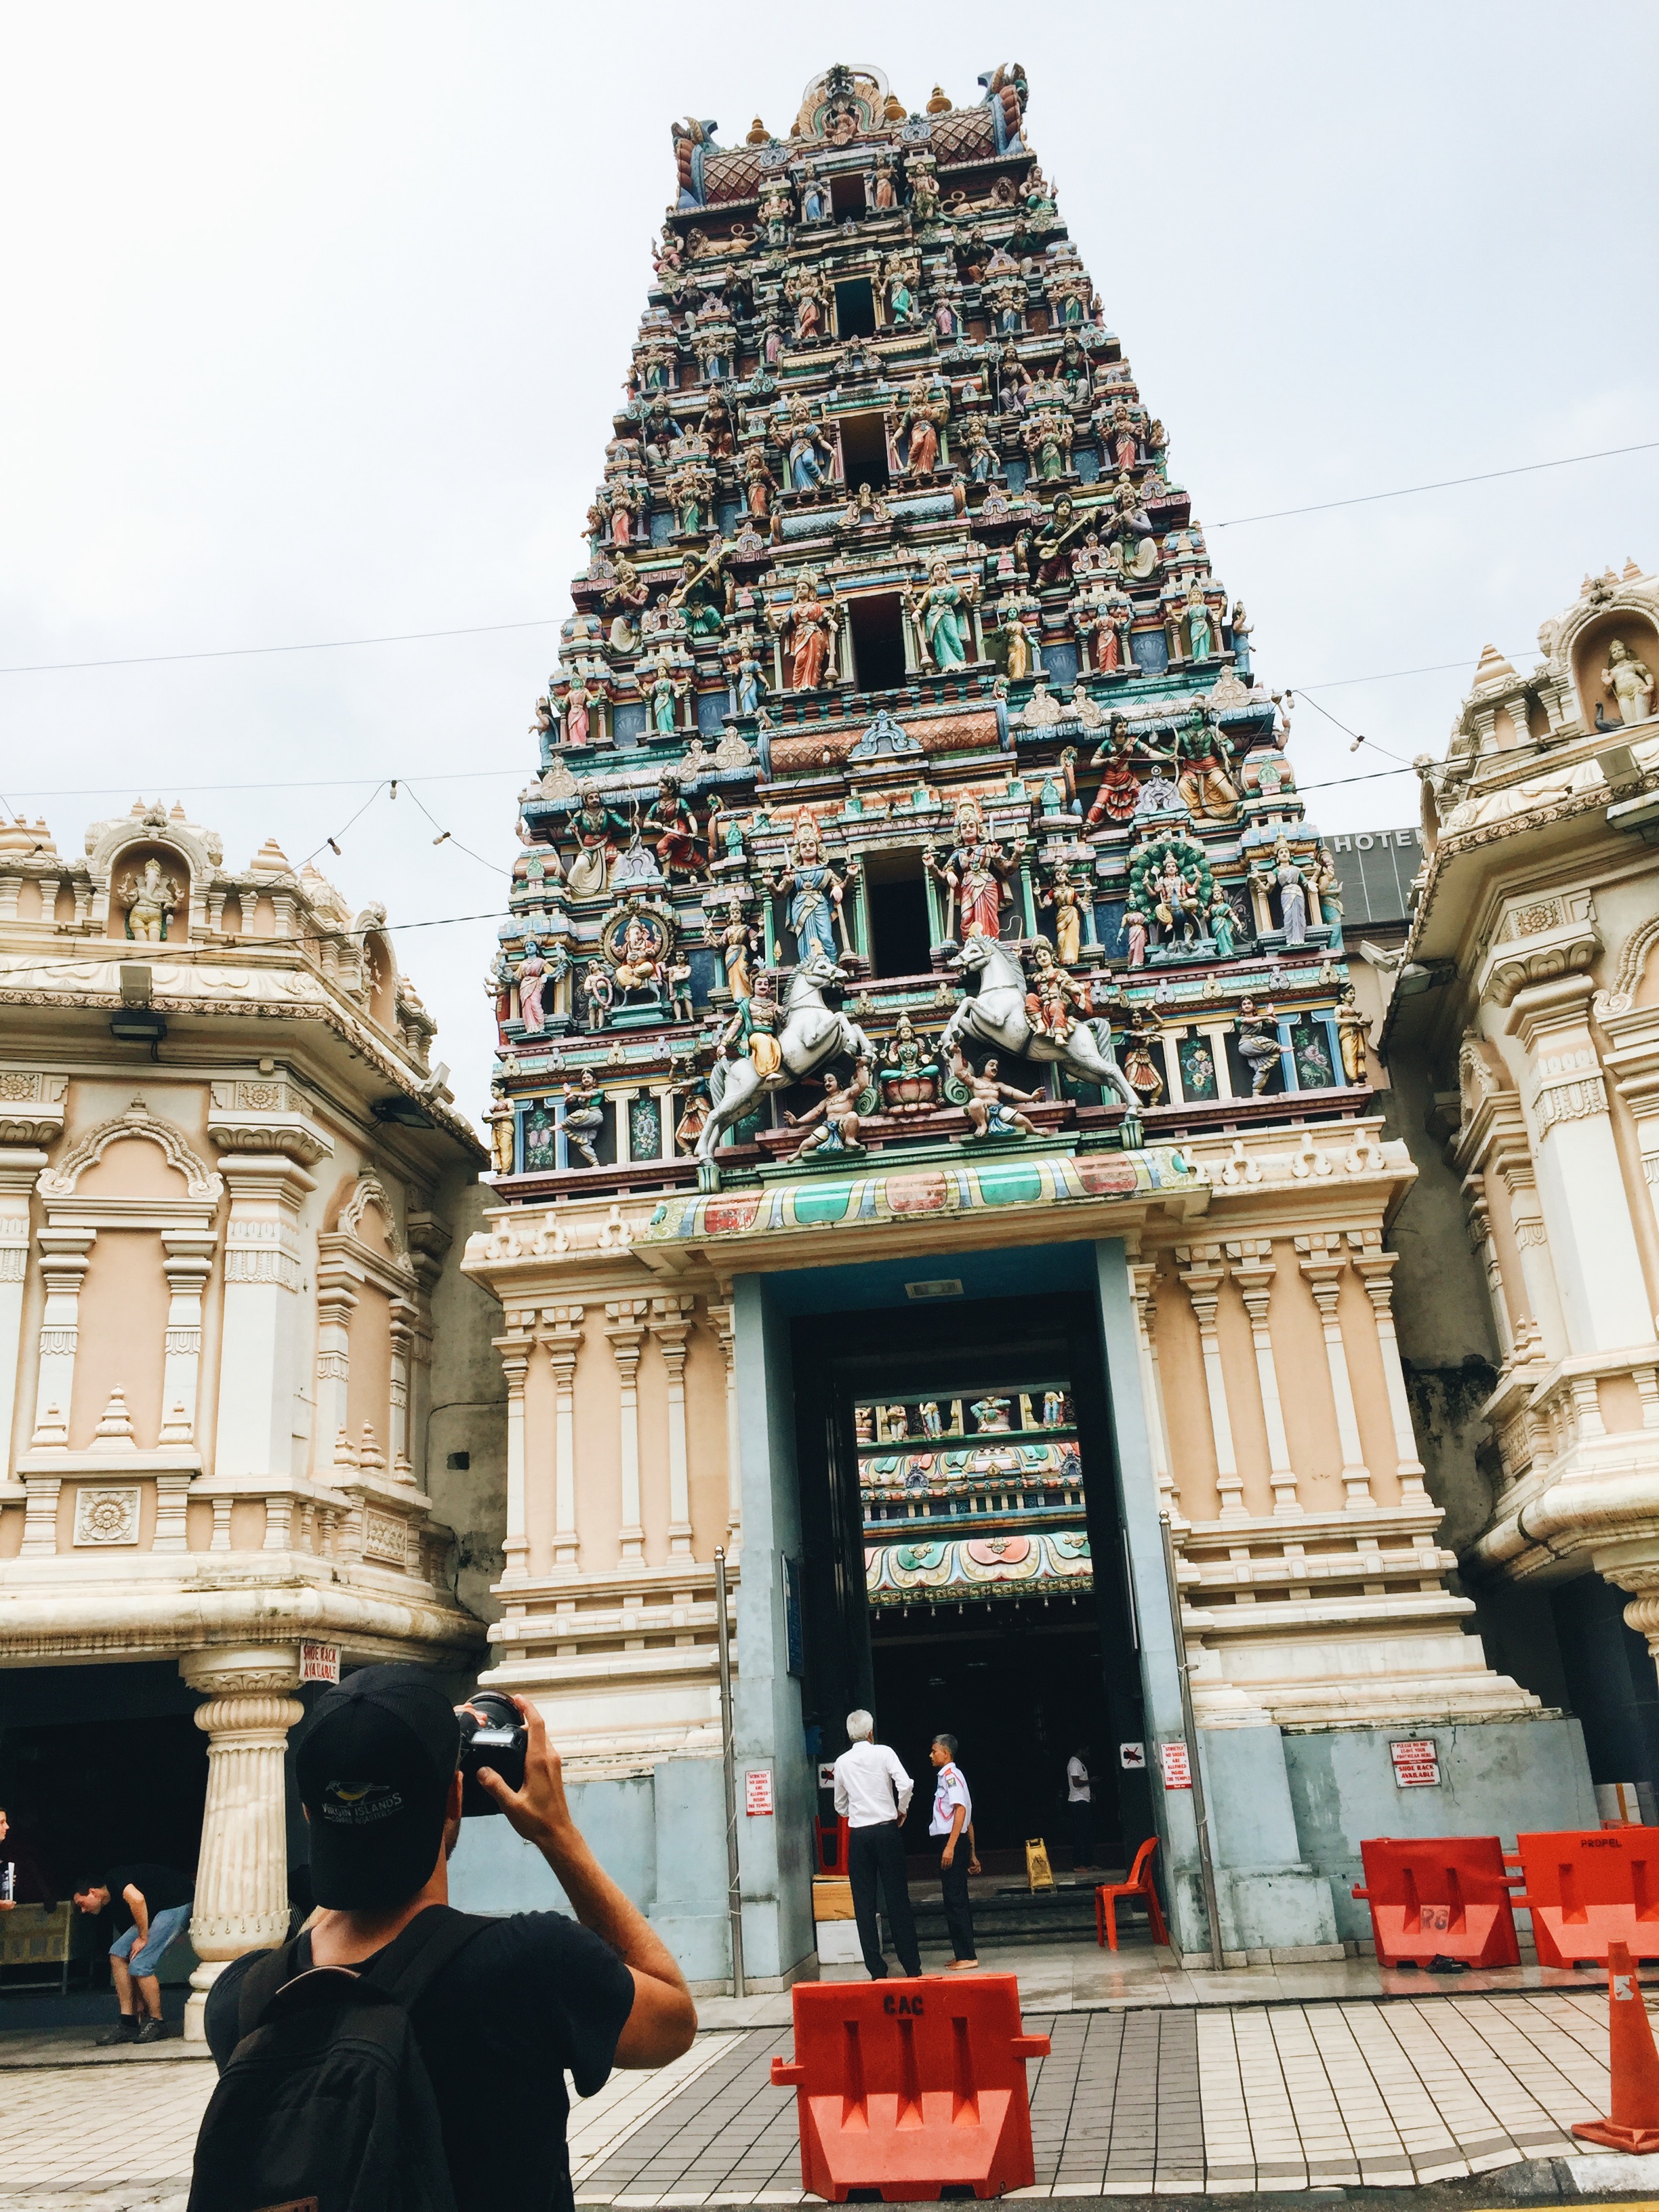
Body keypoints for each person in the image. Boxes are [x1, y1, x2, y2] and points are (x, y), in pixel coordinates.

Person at [203, 1665, 697, 2212]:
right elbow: (673, 2021)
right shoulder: (530, 1964)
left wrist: (348, 1824)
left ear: (308, 1814)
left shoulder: (242, 2000)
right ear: (456, 1799)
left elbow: (331, 1927)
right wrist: (557, 1834)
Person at [832, 1709, 921, 1980]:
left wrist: (855, 1812)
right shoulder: (884, 1753)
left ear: (849, 1735)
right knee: (898, 1899)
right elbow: (905, 1784)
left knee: (864, 1903)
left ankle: (876, 1969)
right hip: (886, 1831)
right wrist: (900, 1809)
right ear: (871, 1733)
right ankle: (911, 1966)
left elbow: (839, 1805)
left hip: (860, 1836)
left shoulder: (842, 1762)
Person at [73, 1860, 195, 2044]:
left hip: (177, 1901)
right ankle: (128, 2022)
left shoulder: (114, 1878)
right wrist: (137, 1999)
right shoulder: (113, 1907)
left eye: (82, 1903)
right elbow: (129, 1956)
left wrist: (144, 1938)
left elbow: (138, 1899)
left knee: (142, 1964)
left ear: (92, 1892)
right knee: (117, 1953)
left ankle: (158, 2022)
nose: (83, 1910)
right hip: (157, 1910)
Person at [928, 1735, 981, 1971]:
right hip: (956, 1841)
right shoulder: (949, 1778)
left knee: (955, 1899)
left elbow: (960, 1812)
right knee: (955, 1898)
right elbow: (968, 1819)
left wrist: (951, 1847)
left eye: (934, 1751)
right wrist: (972, 1852)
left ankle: (968, 1955)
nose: (931, 1755)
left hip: (952, 1841)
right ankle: (962, 1952)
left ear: (946, 1754)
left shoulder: (950, 1777)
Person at [1066, 1747, 1094, 1871]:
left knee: (1087, 1833)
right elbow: (1076, 1783)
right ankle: (1078, 1864)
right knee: (1080, 1833)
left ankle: (1088, 1863)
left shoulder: (1080, 1763)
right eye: (1087, 1751)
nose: (1088, 1754)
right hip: (1078, 1801)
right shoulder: (1074, 1763)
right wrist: (1090, 1781)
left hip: (1084, 1799)